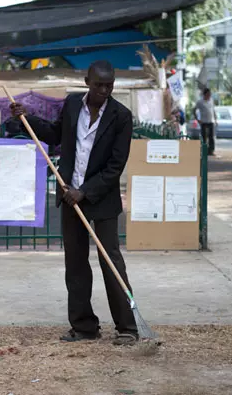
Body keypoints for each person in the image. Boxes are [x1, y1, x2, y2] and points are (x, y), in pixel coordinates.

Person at [10, 60, 138, 346]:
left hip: (101, 199)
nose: (105, 90)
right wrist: (26, 118)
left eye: (110, 85)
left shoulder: (121, 116)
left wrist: (86, 191)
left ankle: (127, 327)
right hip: (70, 195)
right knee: (76, 263)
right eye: (99, 85)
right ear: (86, 82)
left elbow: (116, 166)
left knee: (110, 261)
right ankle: (84, 327)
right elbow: (56, 135)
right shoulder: (71, 105)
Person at [194, 88, 216, 155]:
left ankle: (211, 151)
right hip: (203, 122)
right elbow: (194, 110)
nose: (209, 95)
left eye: (210, 94)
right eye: (208, 94)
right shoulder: (200, 102)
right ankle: (204, 150)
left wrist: (216, 119)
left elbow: (213, 110)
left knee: (211, 137)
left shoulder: (211, 100)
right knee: (204, 137)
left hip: (211, 121)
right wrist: (197, 119)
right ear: (205, 94)